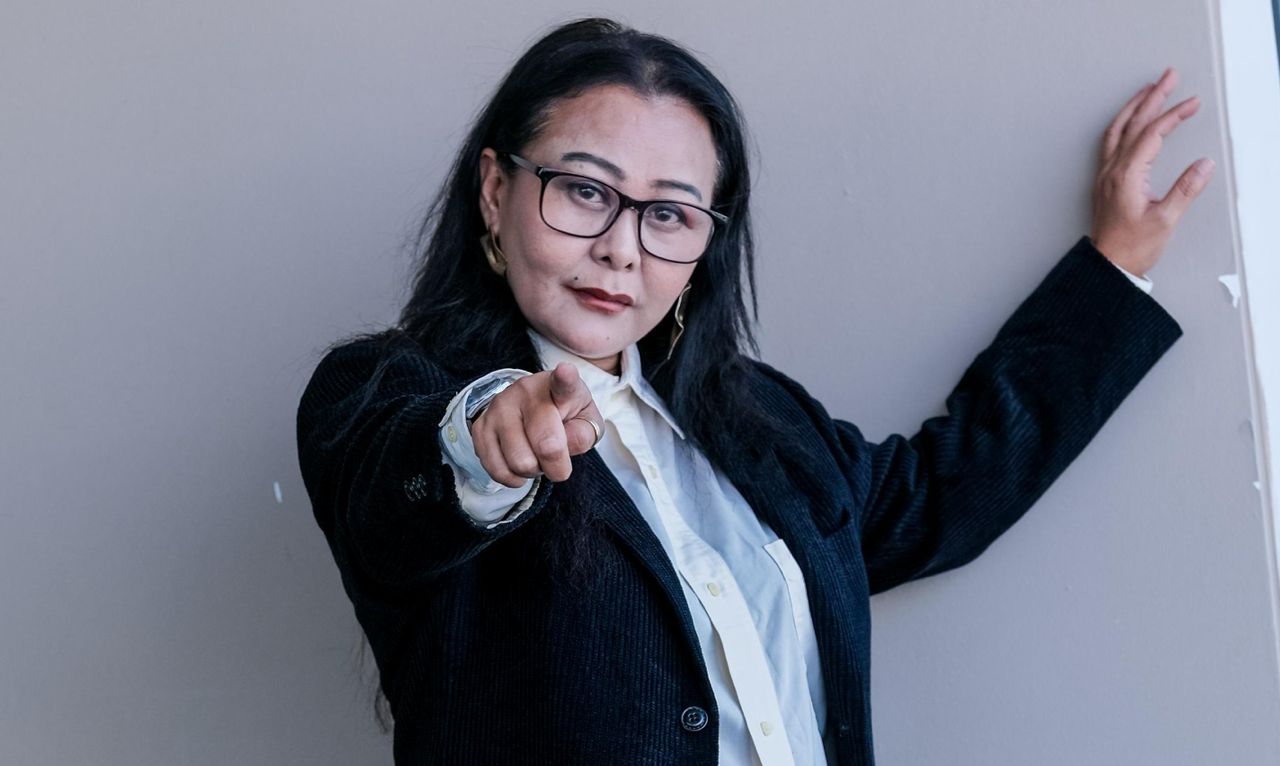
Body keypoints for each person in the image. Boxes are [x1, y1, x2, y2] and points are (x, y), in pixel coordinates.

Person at [295, 16, 1212, 766]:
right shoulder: (384, 390)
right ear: (495, 190)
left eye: (669, 214)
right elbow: (396, 498)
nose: (621, 249)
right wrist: (486, 439)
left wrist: (1114, 267)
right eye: (584, 191)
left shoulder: (759, 417)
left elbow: (941, 495)